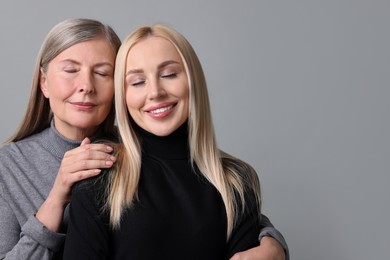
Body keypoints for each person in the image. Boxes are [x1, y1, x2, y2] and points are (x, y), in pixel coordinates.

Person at [63, 24, 288, 259]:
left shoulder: (235, 181)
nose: (155, 92)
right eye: (138, 82)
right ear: (124, 96)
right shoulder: (100, 179)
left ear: (193, 81)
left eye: (169, 74)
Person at [0, 18, 121, 259]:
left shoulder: (141, 153)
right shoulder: (7, 166)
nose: (86, 85)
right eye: (71, 70)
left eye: (101, 72)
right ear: (44, 83)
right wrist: (56, 198)